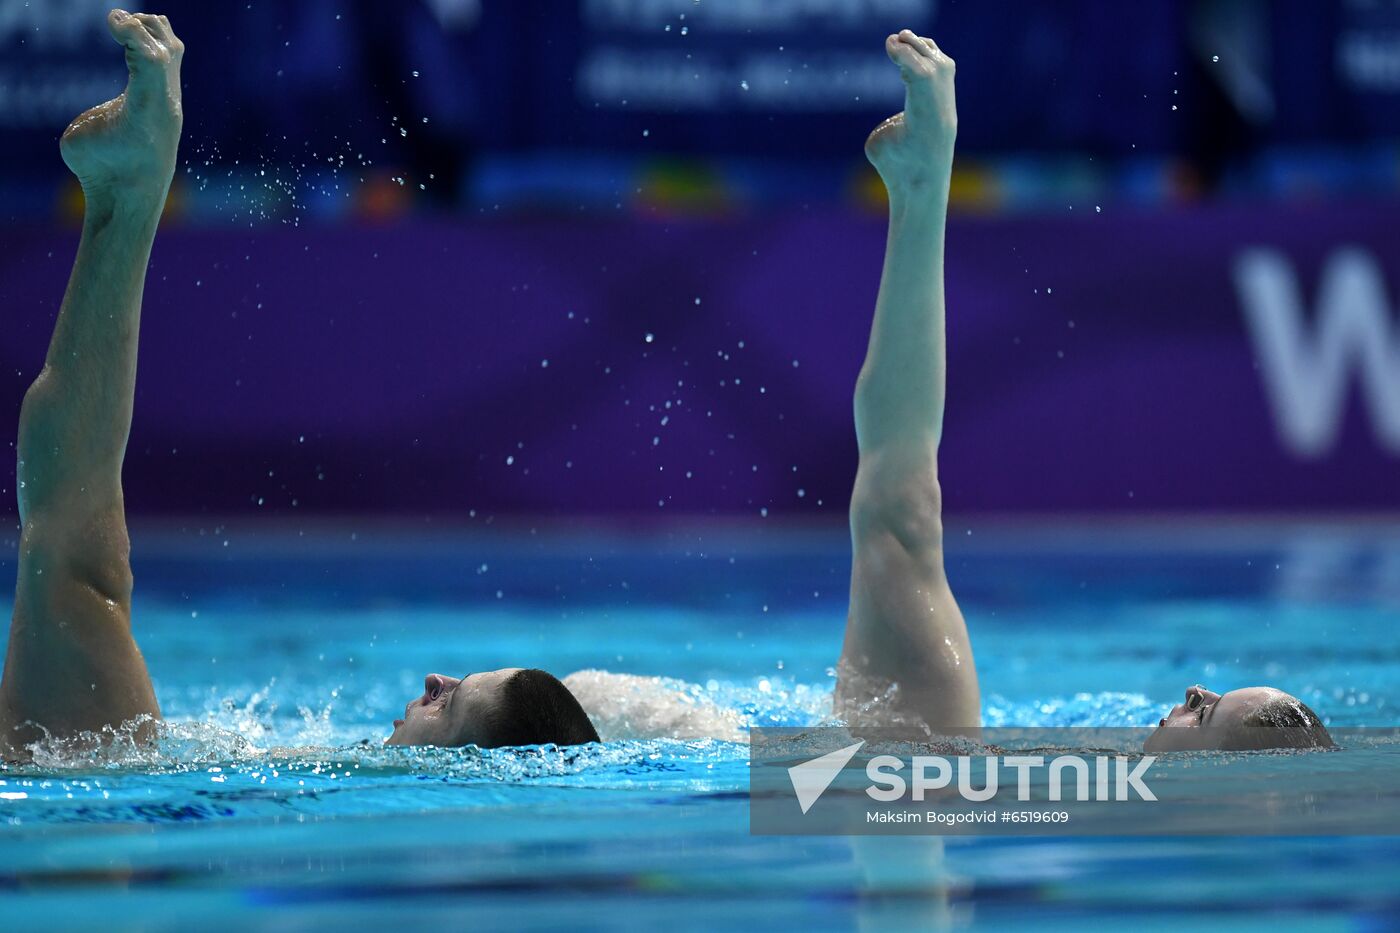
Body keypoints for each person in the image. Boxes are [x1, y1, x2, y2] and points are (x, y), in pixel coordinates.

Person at [0, 11, 598, 761]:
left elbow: (797, 791)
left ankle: (131, 195)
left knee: (72, 549)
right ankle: (127, 196)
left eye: (452, 704)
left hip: (108, 810)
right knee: (70, 546)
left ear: (461, 766)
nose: (435, 677)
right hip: (114, 799)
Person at [830, 30, 1331, 753]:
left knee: (898, 512)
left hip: (909, 769)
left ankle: (922, 189)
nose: (1197, 689)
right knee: (895, 511)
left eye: (1213, 711)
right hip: (770, 754)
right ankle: (920, 189)